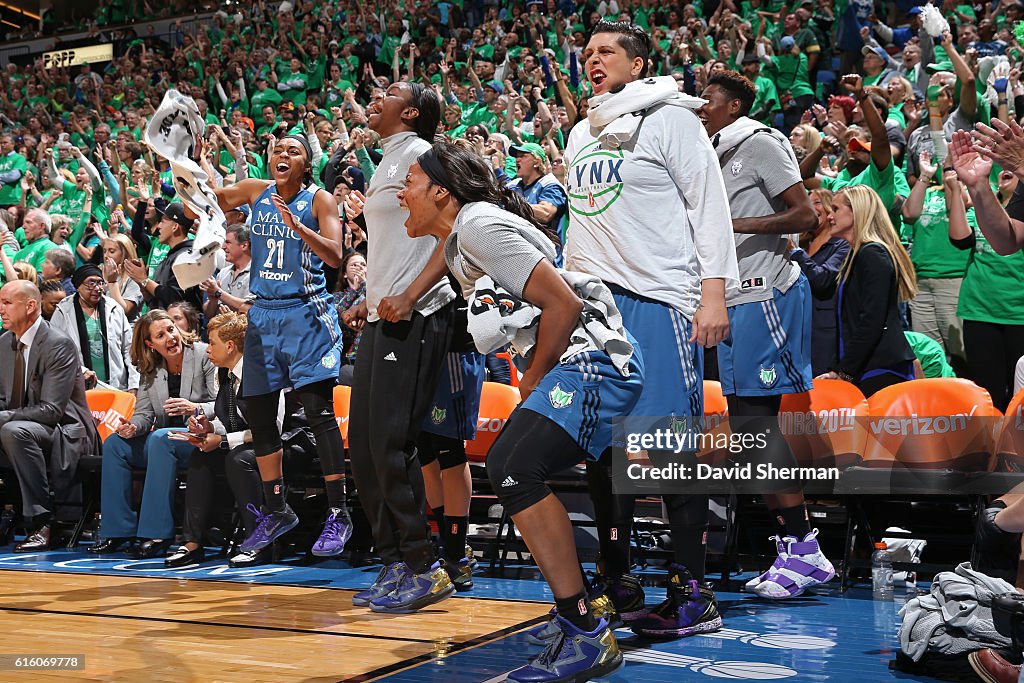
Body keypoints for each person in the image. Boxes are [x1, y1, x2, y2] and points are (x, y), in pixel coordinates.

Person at [399, 140, 642, 683]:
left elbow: (565, 305)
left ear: (441, 191)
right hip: (576, 360)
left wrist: (530, 382)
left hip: (595, 358)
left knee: (512, 462)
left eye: (409, 180)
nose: (399, 192)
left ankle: (583, 629)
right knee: (513, 465)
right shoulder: (465, 238)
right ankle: (573, 613)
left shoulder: (479, 227)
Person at [560, 20, 738, 639]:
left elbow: (708, 202)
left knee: (665, 454)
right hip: (593, 308)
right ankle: (618, 578)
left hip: (657, 301)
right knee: (604, 453)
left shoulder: (672, 119)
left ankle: (692, 592)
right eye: (587, 53)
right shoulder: (583, 130)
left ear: (638, 65)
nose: (593, 60)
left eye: (606, 51)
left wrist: (713, 293)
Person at [697, 70, 835, 600]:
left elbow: (802, 214)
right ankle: (795, 549)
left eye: (707, 96)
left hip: (766, 294)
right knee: (750, 427)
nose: (698, 102)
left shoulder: (759, 141)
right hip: (734, 299)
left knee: (757, 423)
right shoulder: (709, 148)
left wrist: (734, 225)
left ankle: (805, 550)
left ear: (734, 105)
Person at [341, 81, 459, 613]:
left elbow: (453, 233)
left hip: (417, 316)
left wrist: (410, 295)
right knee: (363, 446)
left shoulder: (423, 156)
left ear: (410, 112)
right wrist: (368, 298)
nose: (374, 97)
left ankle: (423, 564)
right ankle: (393, 560)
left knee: (390, 443)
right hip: (381, 317)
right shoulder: (386, 159)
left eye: (387, 93)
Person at [211, 133, 352, 560]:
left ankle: (338, 512)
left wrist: (299, 228)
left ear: (307, 163)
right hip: (263, 314)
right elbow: (217, 199)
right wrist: (197, 172)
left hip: (307, 311)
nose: (282, 156)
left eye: (293, 151)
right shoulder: (258, 192)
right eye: (277, 151)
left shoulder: (321, 200)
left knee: (318, 411)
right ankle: (276, 510)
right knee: (257, 410)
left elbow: (335, 257)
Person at [89, 310, 217, 558]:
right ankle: (117, 531)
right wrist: (133, 427)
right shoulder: (151, 368)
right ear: (150, 344)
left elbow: (221, 403)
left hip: (200, 436)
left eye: (171, 329)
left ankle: (155, 533)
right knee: (116, 444)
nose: (170, 337)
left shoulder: (203, 355)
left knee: (161, 438)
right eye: (161, 335)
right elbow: (145, 413)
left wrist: (195, 408)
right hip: (167, 443)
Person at [165, 312, 283, 568]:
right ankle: (192, 542)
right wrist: (208, 428)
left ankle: (258, 540)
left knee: (238, 459)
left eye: (212, 342)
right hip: (250, 444)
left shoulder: (261, 373)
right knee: (202, 455)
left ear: (230, 346)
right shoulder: (224, 374)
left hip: (282, 447)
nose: (207, 349)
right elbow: (232, 419)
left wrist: (222, 440)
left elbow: (272, 430)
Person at [0, 280, 100, 551]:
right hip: (24, 425)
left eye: (7, 303)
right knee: (12, 430)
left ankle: (42, 520)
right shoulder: (3, 344)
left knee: (13, 431)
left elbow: (51, 410)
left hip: (64, 429)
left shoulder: (58, 344)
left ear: (31, 306)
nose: (1, 309)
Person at [944, 147, 1024, 411]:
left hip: (1018, 312)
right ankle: (993, 449)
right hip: (981, 310)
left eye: (1012, 175)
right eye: (1003, 174)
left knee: (1019, 397)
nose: (1005, 175)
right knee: (987, 392)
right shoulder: (984, 210)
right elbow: (958, 238)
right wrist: (957, 187)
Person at [818, 185, 917, 397]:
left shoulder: (872, 255)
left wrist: (844, 372)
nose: (829, 216)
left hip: (882, 369)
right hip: (865, 367)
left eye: (835, 209)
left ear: (856, 211)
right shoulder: (857, 254)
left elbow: (871, 321)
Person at [789, 188, 850, 376]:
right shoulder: (804, 243)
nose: (811, 207)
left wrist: (796, 253)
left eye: (817, 202)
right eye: (808, 202)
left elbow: (823, 279)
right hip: (797, 325)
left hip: (823, 330)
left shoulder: (842, 244)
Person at [49, 264, 138, 393]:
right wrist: (83, 371)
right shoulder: (63, 311)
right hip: (79, 388)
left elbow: (129, 348)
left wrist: (134, 384)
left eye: (100, 283)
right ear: (78, 286)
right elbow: (56, 351)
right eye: (91, 283)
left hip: (116, 387)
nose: (97, 288)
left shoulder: (114, 308)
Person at [123, 201, 203, 312]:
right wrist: (144, 287)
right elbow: (159, 301)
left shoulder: (187, 256)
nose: (159, 226)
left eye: (163, 221)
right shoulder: (172, 255)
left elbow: (175, 299)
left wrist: (145, 280)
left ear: (175, 227)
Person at [200, 223, 252, 320]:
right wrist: (213, 301)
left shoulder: (257, 275)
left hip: (245, 333)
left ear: (244, 245)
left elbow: (250, 308)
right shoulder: (223, 273)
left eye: (228, 242)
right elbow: (208, 315)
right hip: (219, 332)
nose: (223, 247)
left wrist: (218, 293)